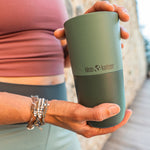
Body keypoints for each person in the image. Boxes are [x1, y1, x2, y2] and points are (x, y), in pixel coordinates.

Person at [0, 1, 132, 150]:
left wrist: (84, 41)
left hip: (61, 127)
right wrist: (48, 111)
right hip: (8, 130)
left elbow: (52, 56)